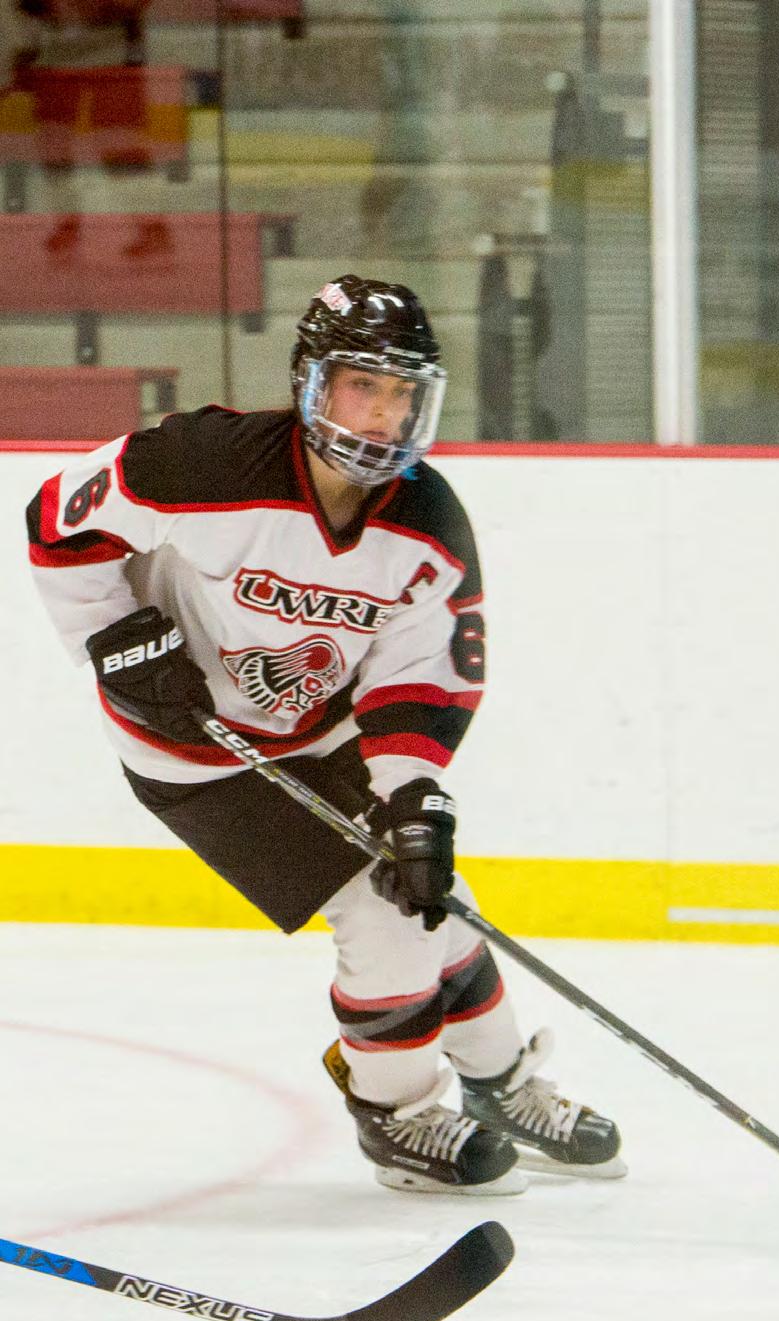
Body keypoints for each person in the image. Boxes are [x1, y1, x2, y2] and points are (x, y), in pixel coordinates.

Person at [26, 273, 625, 1195]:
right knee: (381, 917)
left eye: (402, 393)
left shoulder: (427, 522)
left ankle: (499, 1084)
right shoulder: (203, 465)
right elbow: (59, 522)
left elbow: (419, 674)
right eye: (362, 387)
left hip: (320, 732)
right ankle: (396, 1117)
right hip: (199, 753)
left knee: (428, 894)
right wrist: (117, 640)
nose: (383, 415)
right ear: (310, 382)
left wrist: (411, 795)